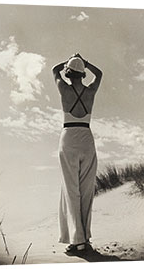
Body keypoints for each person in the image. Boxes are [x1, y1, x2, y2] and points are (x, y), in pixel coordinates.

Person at [52, 53, 102, 253]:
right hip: (87, 139)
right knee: (86, 190)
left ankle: (77, 240)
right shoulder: (90, 91)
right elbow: (99, 75)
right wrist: (85, 62)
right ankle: (85, 238)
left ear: (70, 73)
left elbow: (55, 70)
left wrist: (68, 61)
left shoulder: (64, 88)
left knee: (71, 190)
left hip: (69, 137)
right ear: (82, 74)